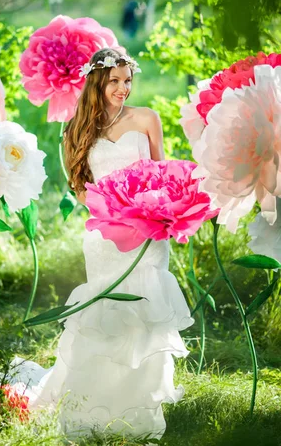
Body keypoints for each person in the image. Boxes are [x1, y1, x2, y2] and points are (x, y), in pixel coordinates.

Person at [17, 48, 194, 442]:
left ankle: (140, 407)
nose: (122, 88)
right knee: (107, 310)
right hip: (105, 233)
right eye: (114, 80)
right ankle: (93, 403)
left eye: (127, 79)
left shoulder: (147, 119)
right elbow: (80, 187)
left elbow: (161, 173)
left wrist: (147, 211)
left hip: (146, 229)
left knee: (146, 304)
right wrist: (114, 213)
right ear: (97, 82)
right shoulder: (78, 128)